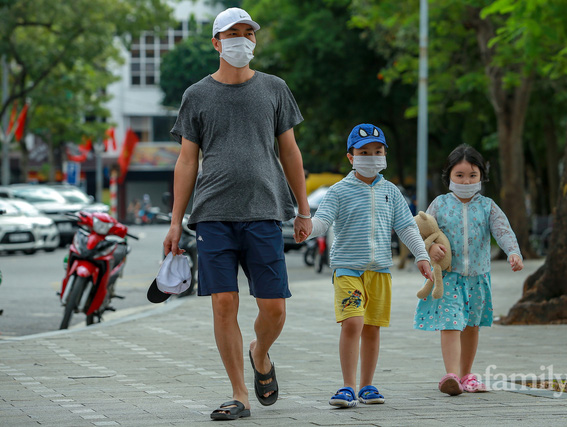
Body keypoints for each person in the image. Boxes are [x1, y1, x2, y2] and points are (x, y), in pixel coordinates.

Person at [162, 7, 312, 421]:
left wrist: (303, 210)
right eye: (232, 34)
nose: (241, 40)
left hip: (265, 211)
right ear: (216, 42)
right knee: (224, 303)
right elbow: (187, 161)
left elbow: (290, 151)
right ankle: (240, 393)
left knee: (275, 308)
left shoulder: (274, 88)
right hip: (212, 214)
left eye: (248, 33)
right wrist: (176, 220)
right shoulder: (197, 95)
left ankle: (259, 351)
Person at [303, 123, 434, 408]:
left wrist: (421, 255)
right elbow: (323, 221)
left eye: (378, 151)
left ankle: (367, 386)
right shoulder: (338, 191)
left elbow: (406, 227)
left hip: (380, 271)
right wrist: (307, 229)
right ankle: (347, 386)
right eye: (364, 152)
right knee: (353, 323)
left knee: (372, 328)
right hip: (348, 269)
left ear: (385, 154)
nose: (372, 156)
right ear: (351, 157)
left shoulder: (392, 192)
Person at [413, 143, 524, 395]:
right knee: (451, 324)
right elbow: (421, 232)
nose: (466, 181)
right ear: (449, 176)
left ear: (481, 176)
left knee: (471, 326)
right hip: (449, 277)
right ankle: (451, 375)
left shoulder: (488, 206)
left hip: (478, 278)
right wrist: (429, 251)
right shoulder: (439, 205)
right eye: (459, 175)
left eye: (472, 175)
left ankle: (466, 375)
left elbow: (503, 230)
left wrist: (513, 252)